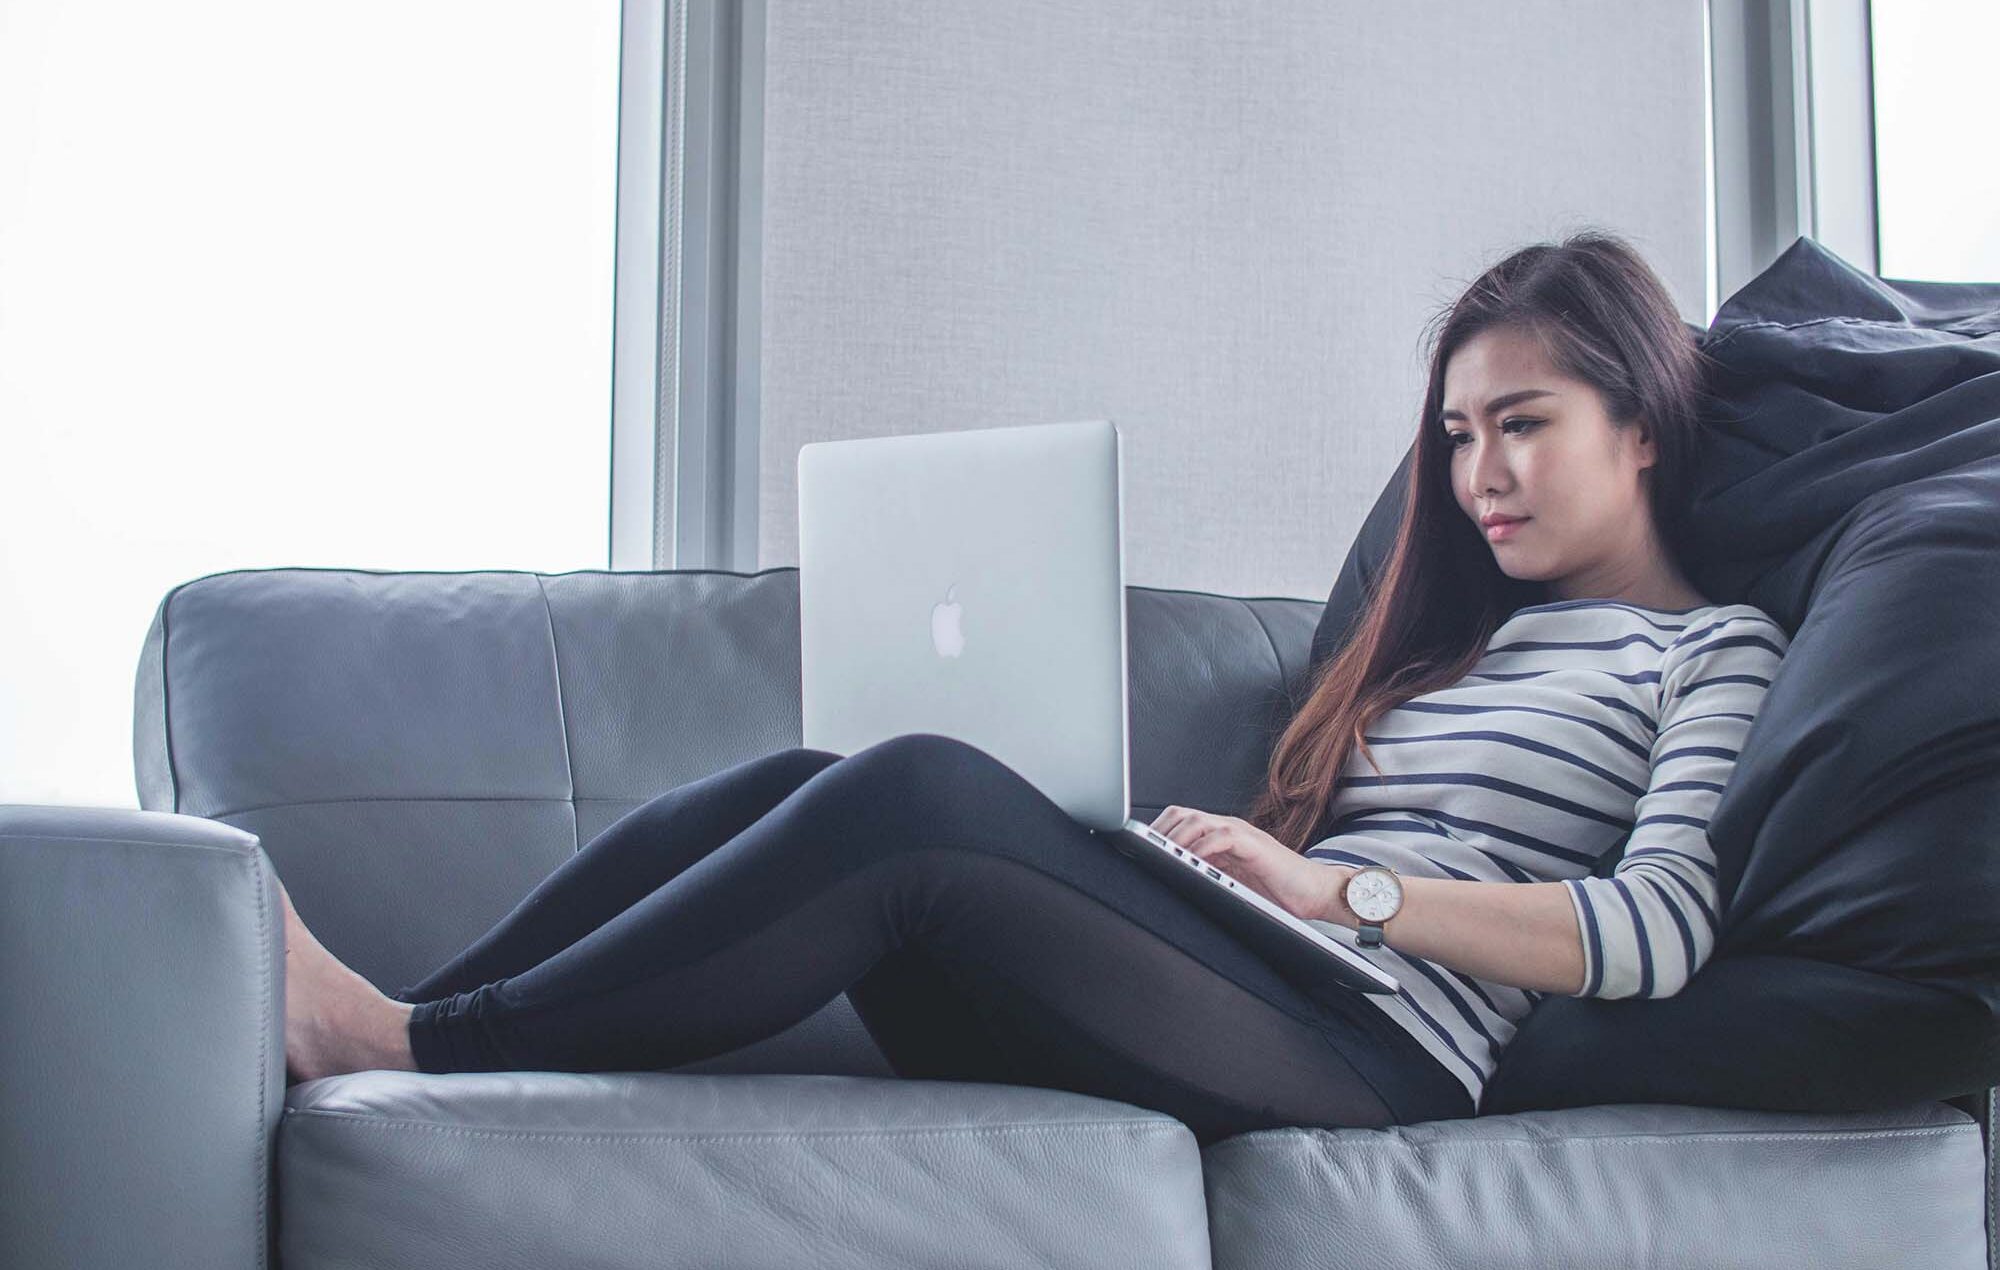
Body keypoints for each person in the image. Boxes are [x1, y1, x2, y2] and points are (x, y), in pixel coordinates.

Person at [278, 229, 1789, 1145]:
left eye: (1518, 423)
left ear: (1642, 422)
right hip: (1256, 978)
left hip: (1385, 1051)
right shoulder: (1456, 641)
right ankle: (411, 1023)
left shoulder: (1712, 649)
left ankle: (411, 1045)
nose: (1476, 476)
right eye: (1454, 436)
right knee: (822, 780)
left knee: (918, 794)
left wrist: (1343, 897)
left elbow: (1657, 929)